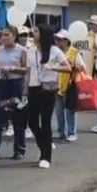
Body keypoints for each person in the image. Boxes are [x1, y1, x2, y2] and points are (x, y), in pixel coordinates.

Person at [25, 24, 70, 169]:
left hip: (48, 89)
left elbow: (67, 68)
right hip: (33, 87)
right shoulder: (31, 50)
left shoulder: (54, 50)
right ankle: (45, 143)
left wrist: (53, 67)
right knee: (31, 121)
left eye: (37, 31)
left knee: (45, 121)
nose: (33, 33)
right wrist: (24, 89)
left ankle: (46, 156)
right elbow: (28, 70)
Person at [0, 26, 27, 160]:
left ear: (14, 36)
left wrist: (13, 68)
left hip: (15, 84)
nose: (3, 37)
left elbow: (25, 70)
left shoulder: (22, 51)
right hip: (1, 83)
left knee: (17, 116)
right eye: (2, 35)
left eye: (7, 35)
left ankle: (19, 149)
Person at [54, 29, 84, 142]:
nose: (58, 42)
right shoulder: (55, 52)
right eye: (57, 39)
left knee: (70, 110)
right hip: (57, 85)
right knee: (58, 111)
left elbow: (81, 67)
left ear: (67, 41)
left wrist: (71, 66)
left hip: (70, 85)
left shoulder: (74, 52)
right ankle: (62, 132)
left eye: (61, 39)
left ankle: (72, 132)